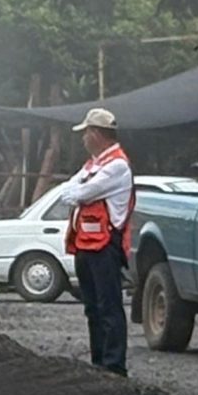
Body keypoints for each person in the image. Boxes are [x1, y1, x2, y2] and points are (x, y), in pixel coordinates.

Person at [48, 107, 135, 377]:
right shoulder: (93, 165)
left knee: (108, 306)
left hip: (105, 245)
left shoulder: (117, 165)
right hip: (85, 245)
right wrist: (75, 192)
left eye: (86, 133)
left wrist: (77, 192)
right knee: (92, 307)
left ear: (97, 134)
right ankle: (99, 361)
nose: (83, 138)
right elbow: (67, 191)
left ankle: (114, 365)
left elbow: (81, 193)